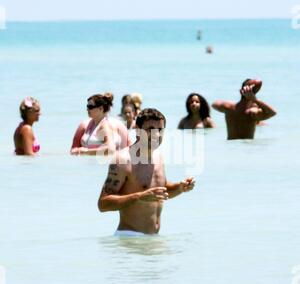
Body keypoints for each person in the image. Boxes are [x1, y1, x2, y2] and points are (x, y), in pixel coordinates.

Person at [98, 108, 195, 236]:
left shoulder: (158, 156)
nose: (156, 135)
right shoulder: (122, 160)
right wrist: (139, 197)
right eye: (150, 129)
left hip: (153, 239)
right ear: (138, 130)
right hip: (131, 238)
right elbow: (103, 204)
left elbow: (160, 191)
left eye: (160, 130)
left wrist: (180, 188)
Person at [212, 79, 277, 139]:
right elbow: (273, 112)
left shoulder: (228, 108)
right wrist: (255, 100)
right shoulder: (252, 112)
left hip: (231, 148)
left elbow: (214, 104)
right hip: (247, 149)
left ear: (241, 91)